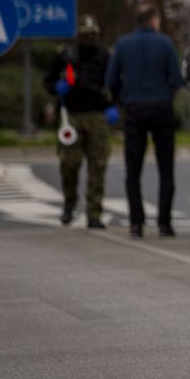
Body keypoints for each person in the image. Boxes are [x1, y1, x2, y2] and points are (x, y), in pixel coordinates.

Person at [105, 3, 184, 239]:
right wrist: (167, 95)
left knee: (133, 170)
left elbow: (111, 80)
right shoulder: (166, 44)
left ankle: (136, 223)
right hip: (161, 109)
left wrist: (123, 101)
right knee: (166, 168)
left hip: (134, 110)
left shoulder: (123, 45)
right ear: (154, 20)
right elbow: (177, 80)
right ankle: (164, 223)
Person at [43, 14, 116, 229]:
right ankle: (69, 204)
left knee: (98, 166)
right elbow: (48, 80)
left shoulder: (105, 56)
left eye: (92, 34)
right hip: (71, 115)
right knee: (69, 164)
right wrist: (57, 87)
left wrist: (114, 105)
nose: (89, 38)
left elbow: (114, 83)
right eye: (85, 34)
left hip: (97, 115)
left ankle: (94, 213)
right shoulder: (65, 56)